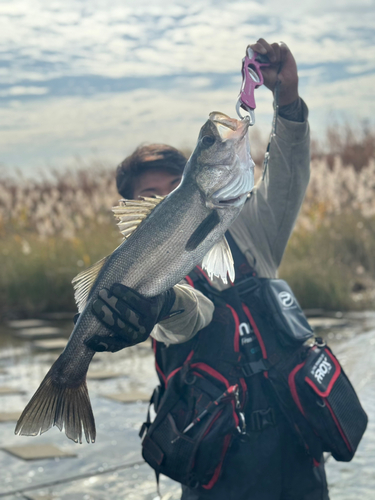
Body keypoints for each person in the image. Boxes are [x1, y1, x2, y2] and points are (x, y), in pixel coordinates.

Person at [89, 39, 330, 500]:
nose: (159, 205)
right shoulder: (139, 281)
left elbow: (288, 173)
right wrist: (160, 303)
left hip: (295, 462)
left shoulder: (250, 233)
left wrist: (287, 99)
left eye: (167, 192)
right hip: (214, 478)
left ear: (189, 185)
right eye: (145, 200)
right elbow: (187, 316)